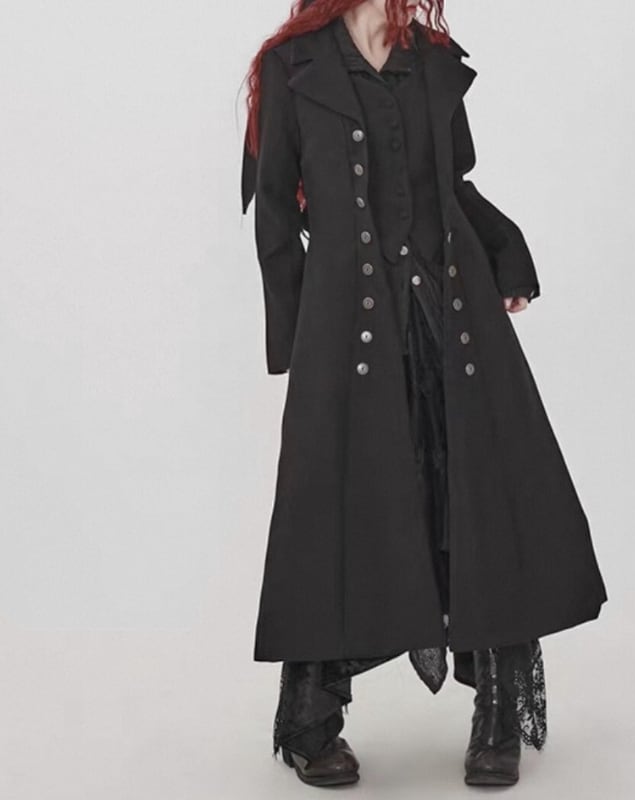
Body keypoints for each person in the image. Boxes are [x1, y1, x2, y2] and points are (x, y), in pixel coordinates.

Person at [240, 0, 608, 787]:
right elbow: (274, 210)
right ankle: (312, 718)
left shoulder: (434, 58)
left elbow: (453, 187)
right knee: (331, 504)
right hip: (344, 326)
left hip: (452, 311)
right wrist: (297, 339)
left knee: (479, 494)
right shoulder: (292, 66)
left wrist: (507, 254)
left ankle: (497, 715)